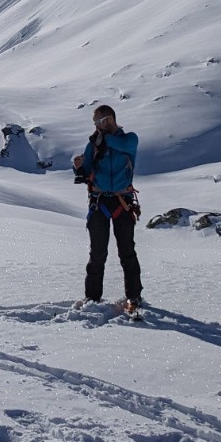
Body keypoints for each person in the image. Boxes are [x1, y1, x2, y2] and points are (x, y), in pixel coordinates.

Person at [72, 104, 143, 307]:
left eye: (99, 121)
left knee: (127, 251)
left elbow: (123, 146)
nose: (96, 126)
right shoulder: (94, 144)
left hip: (122, 201)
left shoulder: (129, 139)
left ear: (110, 119)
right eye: (95, 122)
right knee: (97, 253)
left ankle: (134, 296)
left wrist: (103, 141)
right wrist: (78, 167)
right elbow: (85, 173)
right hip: (99, 201)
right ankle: (92, 297)